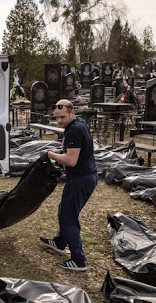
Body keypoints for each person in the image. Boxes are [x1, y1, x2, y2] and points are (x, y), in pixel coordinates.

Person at [39, 99, 98, 271]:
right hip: (85, 176)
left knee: (68, 216)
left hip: (81, 178)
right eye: (56, 118)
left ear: (72, 112)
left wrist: (49, 154)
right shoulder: (79, 123)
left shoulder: (73, 131)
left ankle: (79, 259)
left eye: (63, 117)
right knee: (65, 210)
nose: (59, 121)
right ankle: (59, 242)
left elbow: (71, 160)